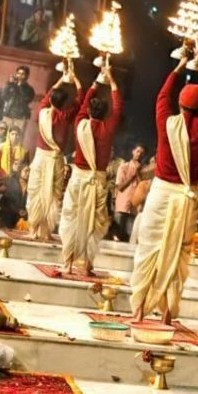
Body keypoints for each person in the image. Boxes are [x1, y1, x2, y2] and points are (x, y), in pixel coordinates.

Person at [130, 43, 198, 322]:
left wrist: (179, 66)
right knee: (179, 254)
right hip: (186, 197)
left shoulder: (165, 122)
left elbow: (162, 95)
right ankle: (168, 313)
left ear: (180, 104)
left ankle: (138, 310)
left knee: (149, 249)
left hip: (161, 193)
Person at [60, 66, 123, 275]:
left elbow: (83, 105)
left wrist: (96, 82)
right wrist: (111, 80)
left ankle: (68, 262)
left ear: (88, 112)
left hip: (79, 178)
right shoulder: (109, 127)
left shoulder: (80, 124)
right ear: (106, 114)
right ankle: (87, 264)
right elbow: (119, 106)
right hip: (98, 181)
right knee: (94, 224)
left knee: (72, 218)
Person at [25, 71, 78, 241]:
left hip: (41, 159)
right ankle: (46, 232)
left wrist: (61, 80)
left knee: (36, 193)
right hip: (55, 160)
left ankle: (33, 230)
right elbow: (80, 100)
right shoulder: (65, 115)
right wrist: (76, 81)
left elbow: (46, 97)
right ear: (64, 104)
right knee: (53, 195)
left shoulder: (43, 112)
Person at [111, 143, 146, 241]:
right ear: (133, 151)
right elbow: (120, 187)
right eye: (138, 151)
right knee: (117, 237)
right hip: (122, 206)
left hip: (134, 208)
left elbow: (143, 187)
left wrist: (139, 174)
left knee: (130, 238)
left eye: (142, 153)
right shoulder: (123, 167)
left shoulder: (144, 170)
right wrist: (133, 175)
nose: (139, 154)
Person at [2, 66, 37, 130]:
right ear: (16, 74)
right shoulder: (11, 85)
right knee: (3, 135)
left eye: (22, 74)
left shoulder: (30, 89)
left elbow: (25, 100)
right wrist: (9, 84)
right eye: (18, 73)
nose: (20, 76)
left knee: (16, 136)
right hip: (8, 114)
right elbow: (3, 96)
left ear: (27, 76)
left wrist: (19, 86)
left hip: (20, 117)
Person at [0, 164, 30, 229]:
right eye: (26, 171)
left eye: (29, 171)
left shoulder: (31, 185)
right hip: (12, 211)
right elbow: (7, 201)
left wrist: (26, 211)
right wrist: (18, 210)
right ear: (20, 171)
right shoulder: (12, 182)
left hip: (25, 213)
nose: (28, 173)